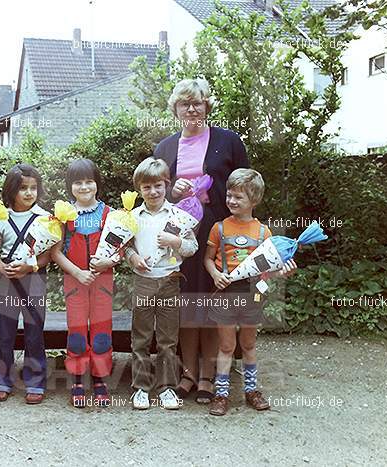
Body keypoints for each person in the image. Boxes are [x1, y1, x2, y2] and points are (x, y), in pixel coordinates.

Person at [153, 78, 249, 403]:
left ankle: (209, 376)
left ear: (207, 105)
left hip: (216, 232)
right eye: (185, 103)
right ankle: (188, 374)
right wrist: (171, 191)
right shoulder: (164, 148)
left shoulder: (229, 141)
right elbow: (154, 193)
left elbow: (244, 188)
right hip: (178, 235)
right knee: (184, 302)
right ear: (176, 109)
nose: (191, 109)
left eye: (197, 102)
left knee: (211, 304)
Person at [204, 168, 296, 416]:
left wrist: (282, 271)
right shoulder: (219, 228)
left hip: (253, 295)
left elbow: (267, 271)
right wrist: (215, 274)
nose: (232, 201)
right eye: (230, 195)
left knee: (248, 344)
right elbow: (208, 259)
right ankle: (221, 393)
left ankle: (251, 390)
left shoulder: (263, 233)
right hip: (225, 294)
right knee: (225, 346)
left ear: (254, 200)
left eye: (239, 197)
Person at [125, 158, 198, 410]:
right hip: (143, 281)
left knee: (168, 339)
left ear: (167, 184)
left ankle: (167, 387)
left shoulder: (179, 217)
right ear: (139, 189)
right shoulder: (132, 217)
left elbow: (192, 247)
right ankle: (140, 388)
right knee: (141, 338)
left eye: (158, 185)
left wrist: (175, 242)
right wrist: (133, 257)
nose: (153, 191)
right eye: (147, 187)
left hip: (170, 282)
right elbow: (126, 247)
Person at [51, 159, 119, 408]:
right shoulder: (63, 214)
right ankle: (77, 379)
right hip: (74, 281)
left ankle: (100, 379)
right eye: (78, 182)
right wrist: (78, 273)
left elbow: (120, 249)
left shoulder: (110, 214)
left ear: (97, 183)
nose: (84, 187)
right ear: (70, 186)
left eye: (89, 181)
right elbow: (55, 252)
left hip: (103, 281)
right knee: (77, 332)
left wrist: (107, 263)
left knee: (102, 332)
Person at [0, 164, 50, 404]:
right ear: (11, 190)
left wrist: (30, 266)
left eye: (33, 188)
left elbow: (50, 253)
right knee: (5, 331)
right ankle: (2, 379)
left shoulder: (45, 218)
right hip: (7, 279)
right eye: (23, 188)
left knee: (34, 331)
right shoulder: (0, 217)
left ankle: (35, 381)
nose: (28, 193)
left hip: (34, 278)